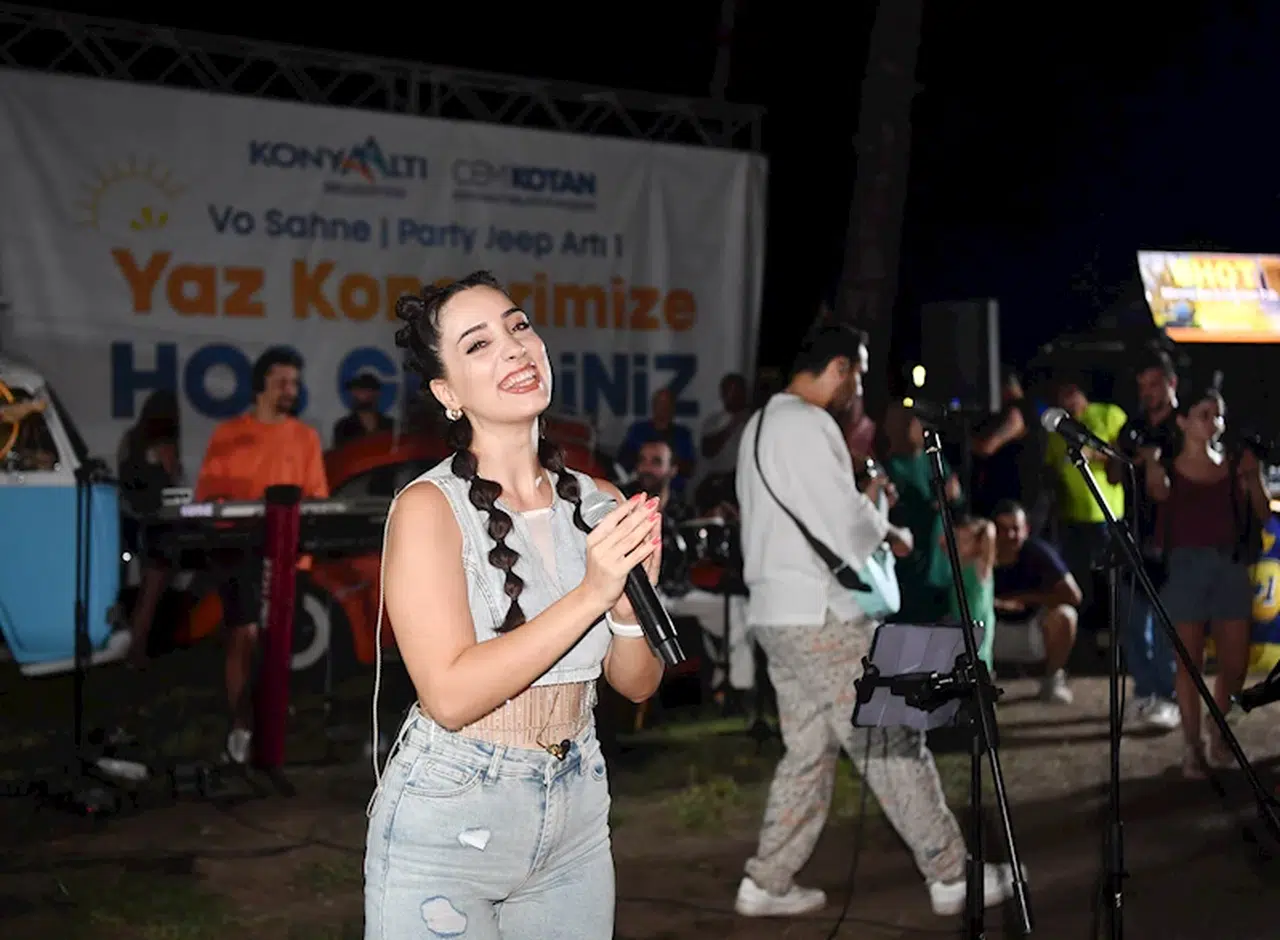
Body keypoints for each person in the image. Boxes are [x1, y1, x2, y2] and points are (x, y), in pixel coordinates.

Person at [364, 271, 665, 939]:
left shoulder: (601, 503)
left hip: (577, 802)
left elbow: (638, 684)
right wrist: (592, 592)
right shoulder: (427, 509)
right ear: (447, 393)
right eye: (478, 344)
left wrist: (625, 610)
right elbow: (450, 695)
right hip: (451, 813)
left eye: (519, 326)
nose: (513, 348)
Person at [733, 323, 1017, 919]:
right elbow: (843, 520)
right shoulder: (809, 424)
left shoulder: (760, 424)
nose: (859, 388)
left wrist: (871, 510)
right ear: (838, 367)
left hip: (776, 613)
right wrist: (891, 531)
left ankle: (767, 880)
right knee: (891, 738)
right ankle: (950, 874)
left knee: (809, 752)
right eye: (858, 373)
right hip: (821, 614)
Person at [194, 347, 329, 764]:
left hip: (287, 557)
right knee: (244, 634)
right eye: (282, 382)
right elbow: (207, 497)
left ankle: (269, 724)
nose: (290, 390)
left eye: (295, 383)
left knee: (276, 641)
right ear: (260, 386)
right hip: (238, 552)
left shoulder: (305, 438)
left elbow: (318, 498)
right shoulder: (228, 434)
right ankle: (240, 725)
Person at [1144, 388, 1268, 777]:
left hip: (1229, 565)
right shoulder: (1166, 467)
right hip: (1184, 568)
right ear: (1183, 421)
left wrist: (1254, 478)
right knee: (1189, 663)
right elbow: (1154, 496)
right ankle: (1192, 746)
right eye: (1204, 414)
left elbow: (1263, 514)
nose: (1214, 422)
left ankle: (1219, 730)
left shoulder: (1234, 465)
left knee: (1235, 662)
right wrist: (1151, 467)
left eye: (1219, 415)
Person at [1107, 346, 1181, 731]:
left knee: (1169, 624)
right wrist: (1117, 456)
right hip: (1134, 536)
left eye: (1154, 384)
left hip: (1175, 540)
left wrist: (1152, 462)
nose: (1147, 393)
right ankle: (1144, 692)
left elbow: (1166, 490)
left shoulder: (1184, 427)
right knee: (1134, 621)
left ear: (1171, 383)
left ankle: (1169, 696)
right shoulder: (1132, 427)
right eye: (1142, 386)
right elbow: (1114, 477)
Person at [1044, 375, 1127, 614]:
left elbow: (1122, 454)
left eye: (1071, 392)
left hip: (1105, 515)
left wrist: (1094, 454)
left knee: (1110, 581)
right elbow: (1051, 467)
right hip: (1071, 517)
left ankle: (1112, 624)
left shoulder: (1107, 414)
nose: (1067, 400)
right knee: (1079, 579)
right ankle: (1085, 628)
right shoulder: (1058, 426)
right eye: (1061, 395)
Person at [881, 401, 965, 624]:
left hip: (941, 552)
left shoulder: (934, 458)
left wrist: (954, 495)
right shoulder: (894, 467)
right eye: (917, 423)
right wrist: (940, 500)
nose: (924, 429)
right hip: (915, 561)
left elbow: (956, 496)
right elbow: (907, 512)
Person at [992, 500, 1083, 703]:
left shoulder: (1038, 552)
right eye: (1002, 529)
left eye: (1015, 529)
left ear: (1026, 529)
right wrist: (995, 603)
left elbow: (1074, 595)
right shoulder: (980, 551)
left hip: (1031, 629)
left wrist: (1023, 599)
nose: (1010, 536)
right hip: (988, 632)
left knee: (1066, 616)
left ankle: (1052, 679)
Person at [117, 389, 183, 667]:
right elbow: (174, 477)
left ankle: (127, 644)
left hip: (128, 520)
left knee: (133, 591)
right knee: (151, 593)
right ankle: (137, 650)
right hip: (157, 524)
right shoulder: (164, 444)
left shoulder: (130, 438)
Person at [972, 369, 1048, 533]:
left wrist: (964, 439)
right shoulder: (1028, 409)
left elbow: (987, 446)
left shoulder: (1018, 411)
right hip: (1021, 497)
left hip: (1021, 500)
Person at [945, 515, 998, 671]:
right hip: (960, 630)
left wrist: (981, 526)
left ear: (979, 543)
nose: (960, 544)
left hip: (978, 631)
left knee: (977, 664)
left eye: (966, 540)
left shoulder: (980, 566)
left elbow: (990, 530)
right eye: (957, 539)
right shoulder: (958, 564)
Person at [616, 386, 697, 485]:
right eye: (659, 404)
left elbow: (689, 469)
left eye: (666, 404)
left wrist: (667, 461)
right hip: (640, 486)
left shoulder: (682, 434)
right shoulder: (638, 430)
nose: (663, 408)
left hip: (673, 489)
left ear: (673, 407)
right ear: (653, 406)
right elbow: (623, 461)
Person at [332, 372, 393, 448]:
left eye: (363, 390)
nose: (357, 394)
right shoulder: (343, 427)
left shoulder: (390, 425)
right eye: (355, 390)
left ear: (376, 393)